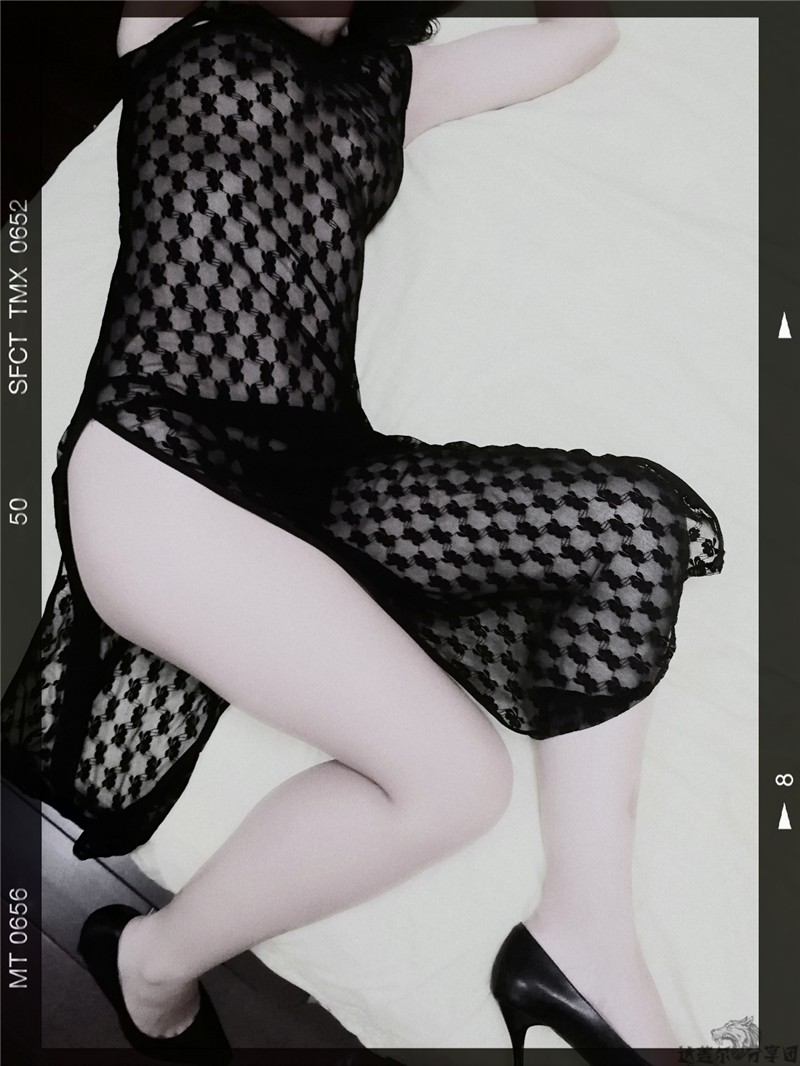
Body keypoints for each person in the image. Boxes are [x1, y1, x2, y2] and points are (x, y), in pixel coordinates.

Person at [2, 1, 724, 1063]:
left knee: (629, 527)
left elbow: (583, 35)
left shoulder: (389, 85)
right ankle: (151, 962)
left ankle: (580, 936)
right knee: (457, 782)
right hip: (165, 451)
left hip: (328, 473)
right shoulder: (173, 28)